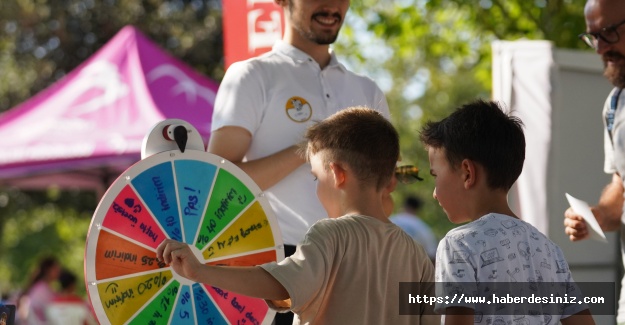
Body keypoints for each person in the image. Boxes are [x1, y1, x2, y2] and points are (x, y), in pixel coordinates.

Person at [158, 107, 438, 325]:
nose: (317, 188)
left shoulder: (330, 235)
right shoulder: (415, 253)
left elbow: (279, 282)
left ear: (337, 175)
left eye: (316, 177)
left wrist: (201, 271)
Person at [209, 1, 390, 321]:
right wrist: (310, 146)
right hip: (275, 269)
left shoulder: (368, 89)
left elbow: (384, 196)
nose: (332, 6)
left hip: (357, 268)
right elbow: (218, 187)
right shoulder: (250, 75)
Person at [420, 99, 594, 324]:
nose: (434, 193)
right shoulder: (549, 249)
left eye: (435, 175)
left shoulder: (458, 245)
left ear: (467, 173)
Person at [564, 1, 625, 324]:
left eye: (610, 32)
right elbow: (621, 187)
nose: (601, 48)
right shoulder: (615, 104)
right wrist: (597, 216)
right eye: (593, 37)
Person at [390, 195, 438, 262]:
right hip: (411, 268)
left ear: (404, 205)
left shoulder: (390, 220)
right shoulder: (423, 228)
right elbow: (432, 255)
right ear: (418, 209)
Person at [16, 256, 61, 325]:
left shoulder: (43, 287)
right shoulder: (42, 289)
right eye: (56, 268)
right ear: (48, 270)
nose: (59, 271)